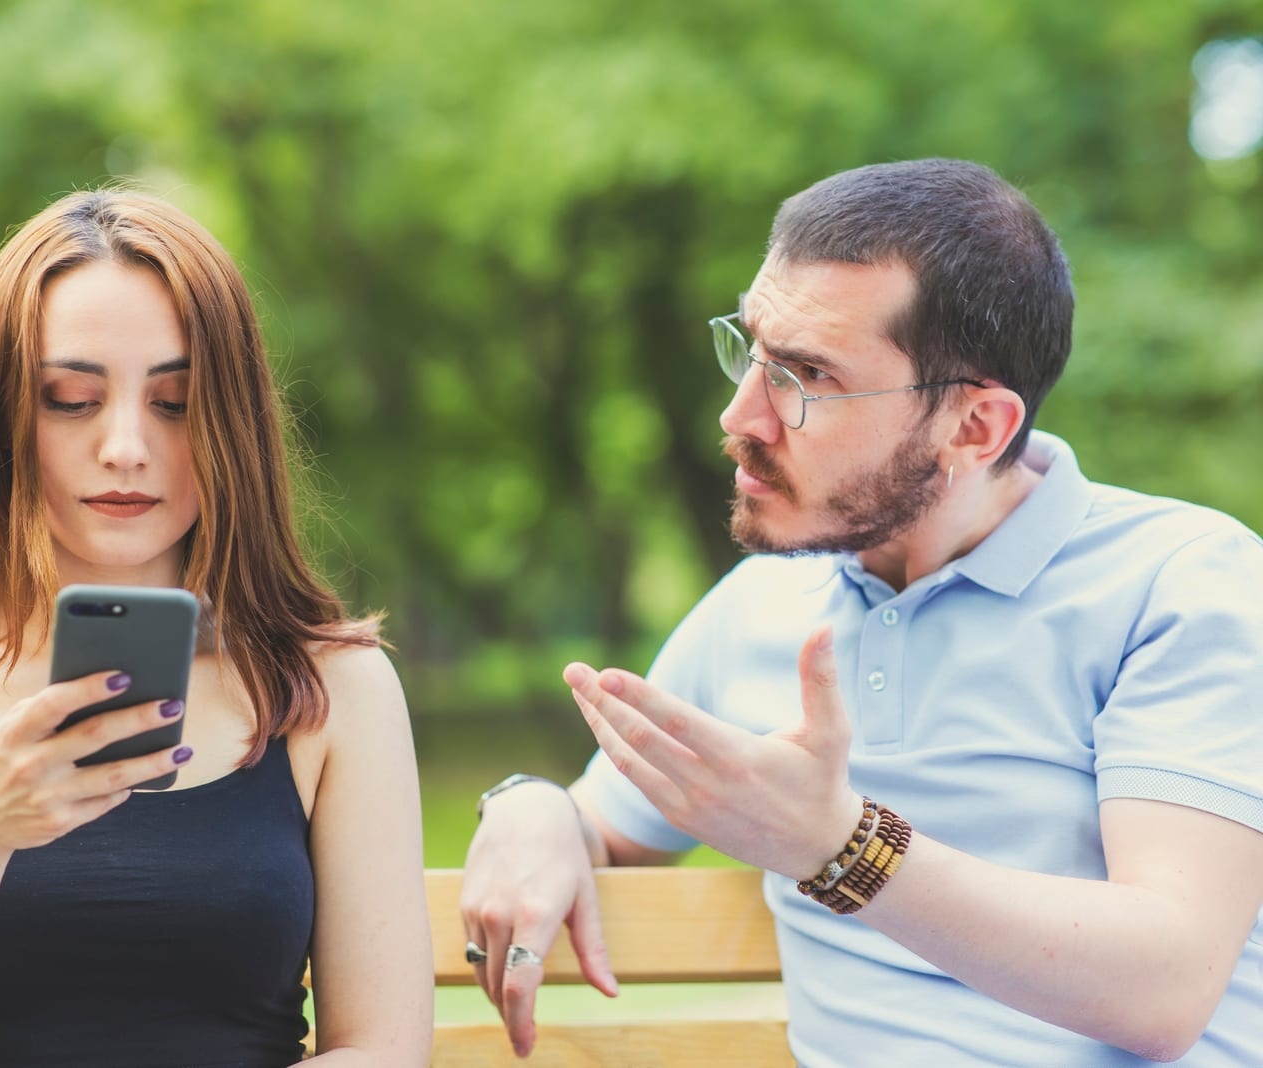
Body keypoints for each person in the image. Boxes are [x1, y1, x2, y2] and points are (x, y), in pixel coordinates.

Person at [460, 159, 1263, 1065]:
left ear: (975, 429)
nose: (740, 416)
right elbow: (599, 823)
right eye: (752, 350)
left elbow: (1167, 985)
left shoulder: (1184, 583)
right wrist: (528, 806)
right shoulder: (766, 601)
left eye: (806, 376)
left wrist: (839, 846)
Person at [0, 189, 433, 1067]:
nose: (126, 445)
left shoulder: (334, 686)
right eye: (71, 399)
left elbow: (383, 1050)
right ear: (6, 419)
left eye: (175, 403)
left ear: (232, 423)